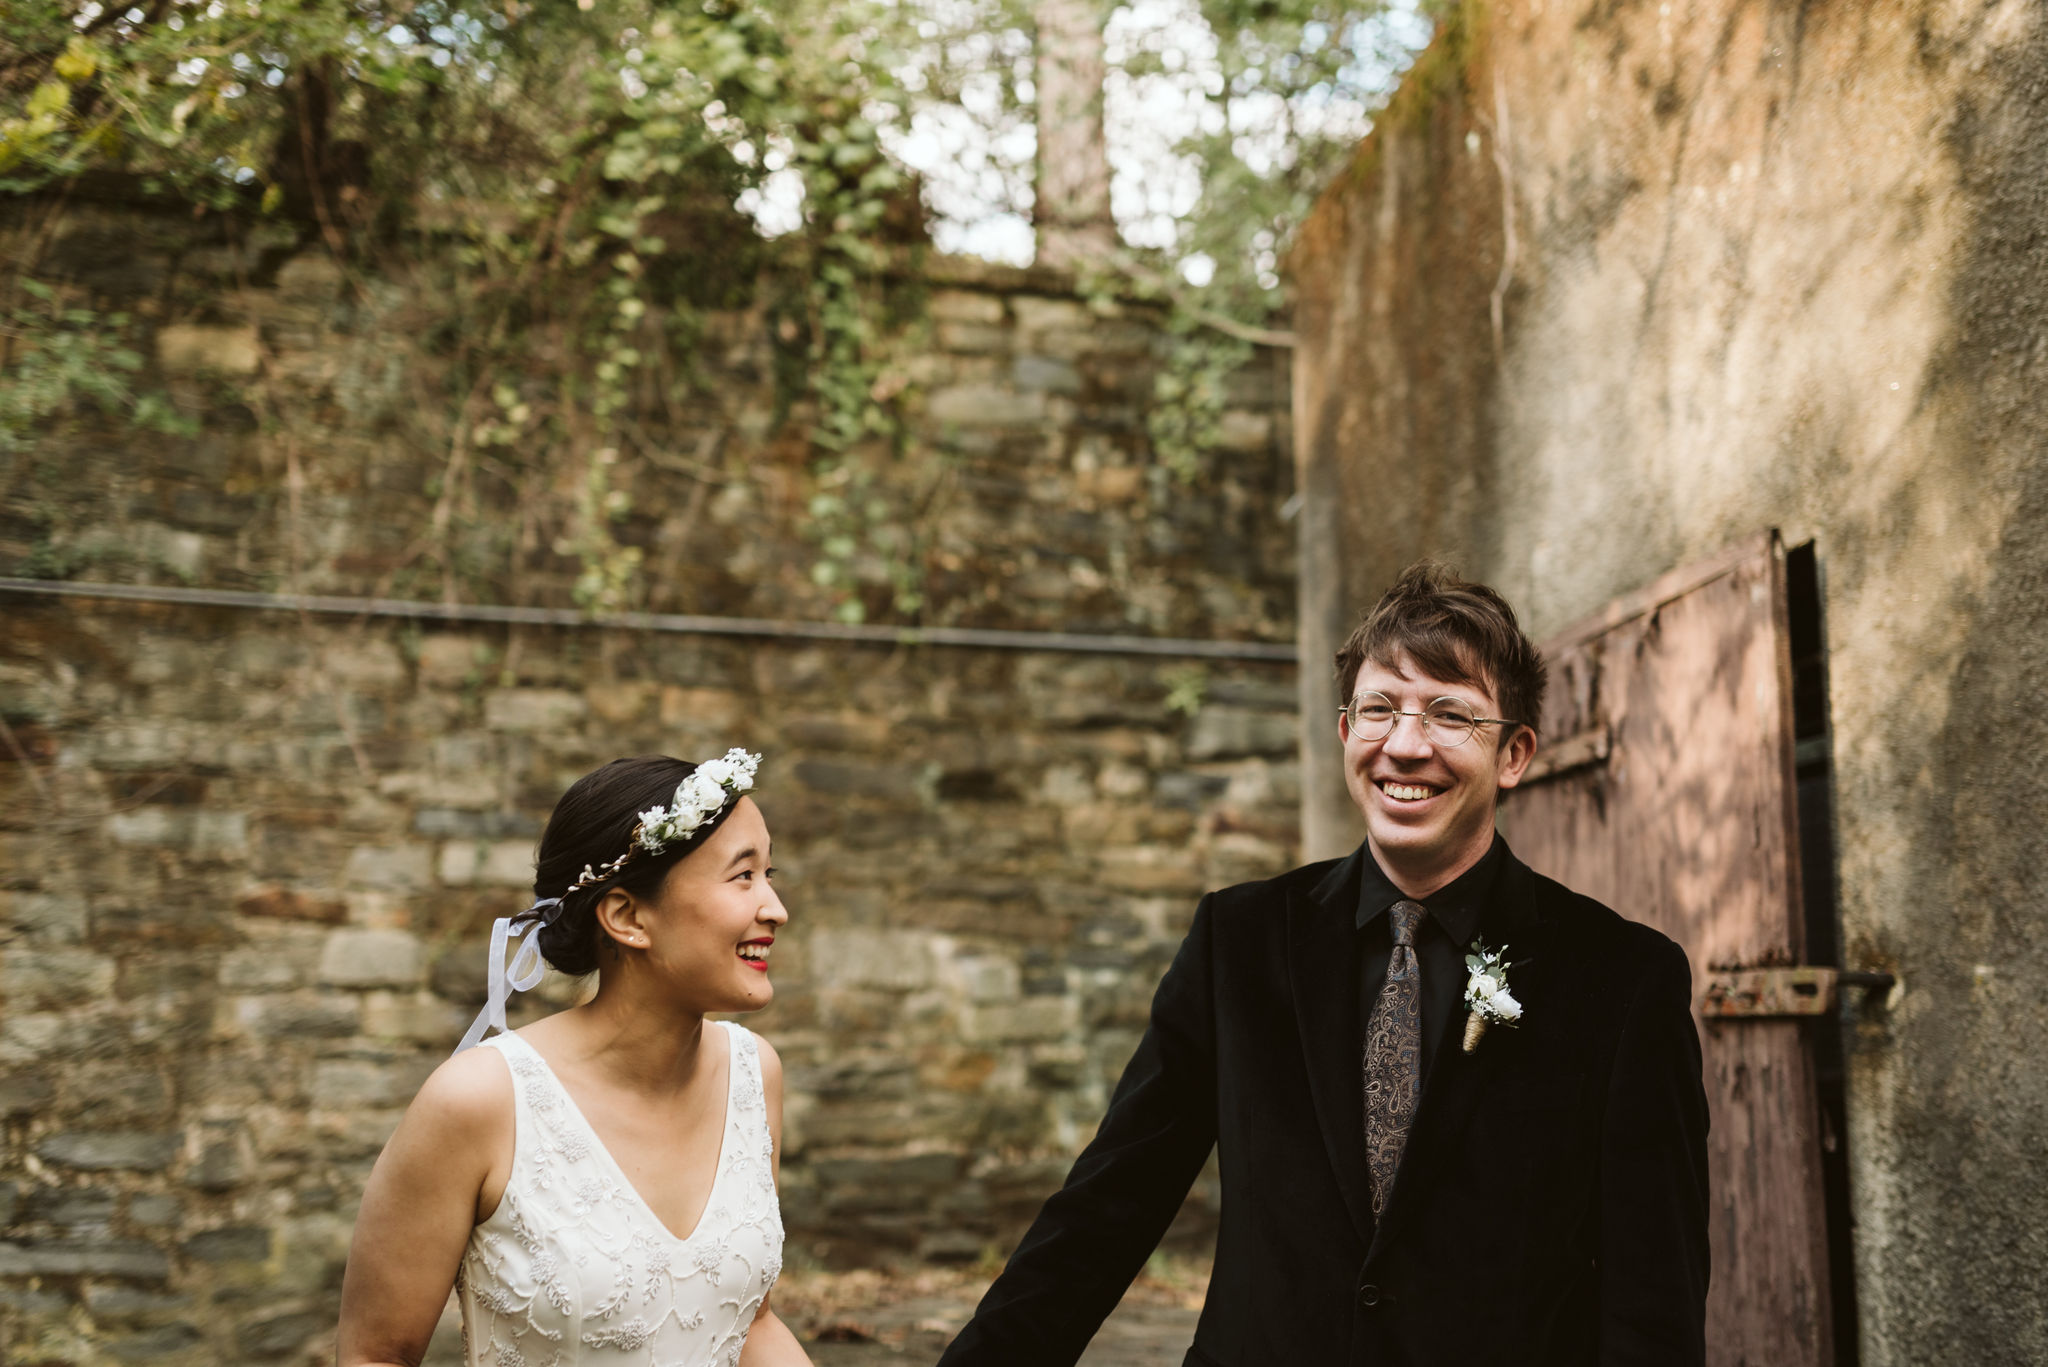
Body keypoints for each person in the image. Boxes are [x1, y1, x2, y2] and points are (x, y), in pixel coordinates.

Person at [936, 563, 1710, 1366]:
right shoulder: (1239, 939)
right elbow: (1109, 1203)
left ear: (1514, 753)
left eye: (1451, 715)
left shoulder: (1622, 979)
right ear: (1346, 733)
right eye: (1379, 709)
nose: (1406, 746)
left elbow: (1653, 1294)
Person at [336, 750, 811, 1367]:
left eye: (770, 874)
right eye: (743, 876)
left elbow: (753, 1323)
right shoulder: (480, 1101)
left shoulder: (755, 1074)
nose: (775, 908)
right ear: (627, 917)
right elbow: (376, 1355)